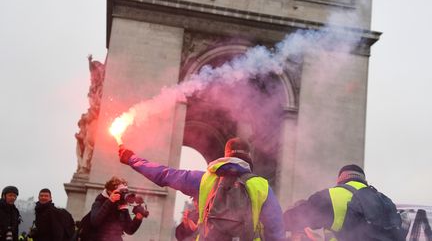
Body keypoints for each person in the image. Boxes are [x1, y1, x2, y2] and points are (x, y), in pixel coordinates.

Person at [119, 137, 285, 241]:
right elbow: (275, 231)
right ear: (249, 156)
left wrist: (132, 159)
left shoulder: (204, 179)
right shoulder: (261, 186)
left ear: (226, 155)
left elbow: (164, 175)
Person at [283, 164, 403, 241]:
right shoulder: (385, 202)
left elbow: (294, 219)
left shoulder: (331, 197)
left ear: (340, 179)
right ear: (364, 180)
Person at [89, 176, 144, 241]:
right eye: (121, 191)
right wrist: (110, 201)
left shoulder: (122, 206)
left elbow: (129, 230)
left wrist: (138, 218)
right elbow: (95, 222)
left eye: (126, 191)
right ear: (110, 191)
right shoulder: (99, 202)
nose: (124, 194)